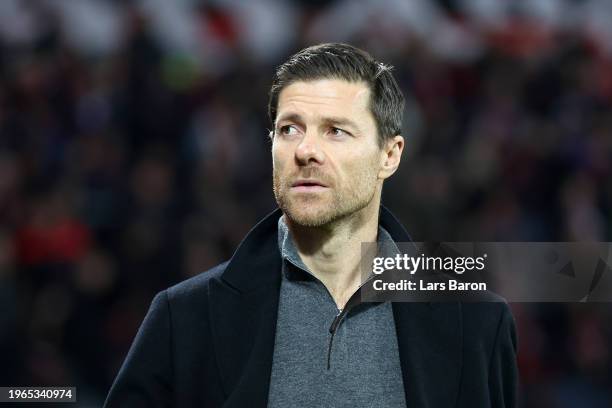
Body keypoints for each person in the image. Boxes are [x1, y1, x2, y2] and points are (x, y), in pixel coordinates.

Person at [104, 43, 517, 408]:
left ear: (389, 156)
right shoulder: (183, 319)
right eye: (289, 129)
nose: (305, 151)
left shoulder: (476, 322)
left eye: (335, 131)